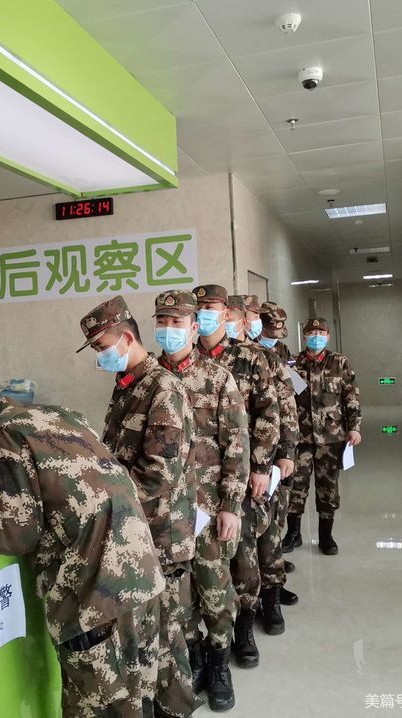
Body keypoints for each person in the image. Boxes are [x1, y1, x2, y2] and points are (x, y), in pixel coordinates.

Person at [0, 388, 165, 718]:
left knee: (97, 707)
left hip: (94, 594)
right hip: (142, 572)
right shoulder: (60, 414)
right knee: (136, 698)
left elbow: (13, 537)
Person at [77, 296, 200, 718]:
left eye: (102, 346)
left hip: (161, 533)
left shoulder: (162, 389)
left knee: (164, 635)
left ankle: (175, 709)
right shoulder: (129, 385)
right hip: (139, 530)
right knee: (156, 636)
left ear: (127, 338)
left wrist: (105, 508)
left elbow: (157, 475)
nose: (100, 356)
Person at [154, 290, 249, 711]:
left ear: (194, 328)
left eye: (177, 322)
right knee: (177, 596)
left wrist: (230, 505)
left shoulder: (218, 379)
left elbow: (237, 446)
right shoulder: (147, 380)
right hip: (164, 513)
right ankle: (192, 660)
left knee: (215, 591)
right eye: (162, 321)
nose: (169, 330)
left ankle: (219, 665)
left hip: (208, 510)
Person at [192, 284, 279, 668]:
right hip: (198, 482)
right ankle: (208, 639)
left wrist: (260, 466)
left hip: (239, 474)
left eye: (210, 306)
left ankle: (244, 630)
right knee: (205, 564)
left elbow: (268, 414)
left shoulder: (249, 357)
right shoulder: (185, 359)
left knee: (243, 555)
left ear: (227, 312)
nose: (204, 312)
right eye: (198, 306)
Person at [236, 296, 299, 635]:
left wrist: (286, 451)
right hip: (232, 464)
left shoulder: (267, 357)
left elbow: (285, 408)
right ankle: (248, 601)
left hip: (267, 460)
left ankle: (272, 596)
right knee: (243, 540)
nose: (249, 322)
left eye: (250, 316)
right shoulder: (218, 358)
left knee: (270, 530)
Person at [283, 318, 362, 556]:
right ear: (304, 336)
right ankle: (293, 534)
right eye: (312, 332)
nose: (316, 336)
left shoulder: (339, 362)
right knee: (295, 486)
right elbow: (285, 399)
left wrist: (354, 427)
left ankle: (326, 536)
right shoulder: (292, 363)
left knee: (328, 489)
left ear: (328, 336)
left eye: (321, 332)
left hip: (331, 438)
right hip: (300, 439)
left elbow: (351, 396)